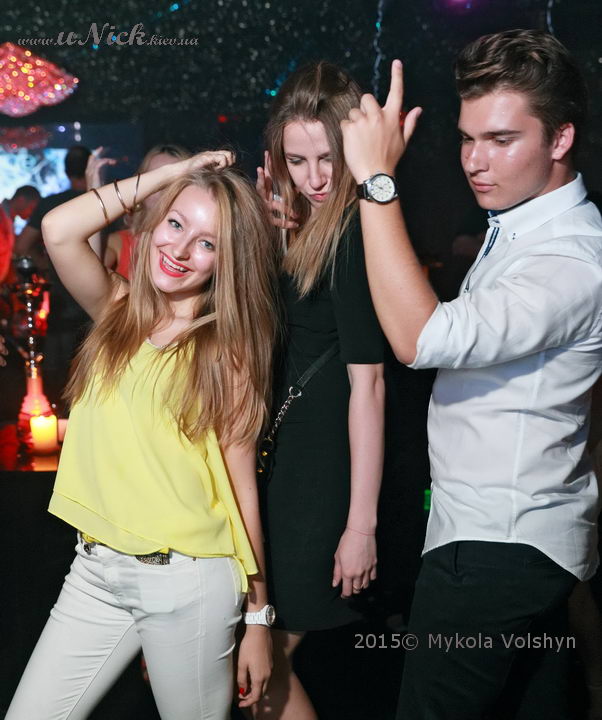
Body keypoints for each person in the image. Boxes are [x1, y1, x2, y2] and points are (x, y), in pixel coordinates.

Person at [341, 29, 602, 720]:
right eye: (466, 139)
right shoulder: (522, 225)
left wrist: (376, 180)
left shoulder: (571, 258)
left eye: (501, 140)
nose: (475, 162)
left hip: (497, 551)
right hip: (510, 545)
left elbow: (420, 338)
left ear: (561, 138)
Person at [6, 150, 277, 719]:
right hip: (95, 570)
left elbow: (240, 487)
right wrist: (173, 176)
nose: (180, 249)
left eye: (207, 243)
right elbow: (59, 229)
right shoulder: (119, 310)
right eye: (175, 224)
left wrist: (258, 617)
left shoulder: (225, 352)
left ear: (227, 262)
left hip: (186, 581)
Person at [255, 61, 385, 719]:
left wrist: (360, 524)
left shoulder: (358, 229)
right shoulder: (305, 224)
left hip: (322, 477)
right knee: (256, 667)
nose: (314, 177)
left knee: (258, 667)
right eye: (297, 159)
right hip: (284, 465)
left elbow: (371, 385)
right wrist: (272, 236)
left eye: (327, 157)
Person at [16, 146, 92, 407]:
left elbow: (21, 247)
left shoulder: (51, 204)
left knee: (59, 372)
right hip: (102, 299)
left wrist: (51, 265)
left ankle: (60, 418)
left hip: (63, 299)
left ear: (66, 171)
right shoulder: (103, 202)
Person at [96, 144, 191, 278]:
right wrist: (94, 190)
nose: (163, 191)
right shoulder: (118, 244)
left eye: (173, 182)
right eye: (155, 180)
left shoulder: (190, 249)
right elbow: (88, 276)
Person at [0, 185, 40, 283]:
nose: (32, 214)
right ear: (21, 200)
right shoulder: (2, 217)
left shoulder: (8, 220)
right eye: (32, 208)